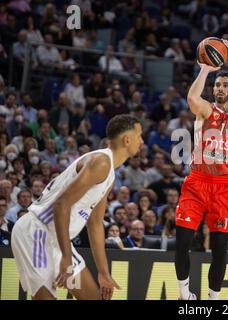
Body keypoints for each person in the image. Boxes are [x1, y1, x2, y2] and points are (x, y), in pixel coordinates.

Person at [11, 114, 143, 300]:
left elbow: (95, 224)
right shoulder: (101, 162)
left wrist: (103, 272)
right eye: (139, 135)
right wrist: (66, 257)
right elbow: (61, 204)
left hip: (58, 238)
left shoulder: (109, 174)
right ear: (127, 139)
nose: (142, 140)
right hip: (37, 233)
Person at [175, 40, 228, 300]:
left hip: (222, 187)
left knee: (219, 250)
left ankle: (212, 299)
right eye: (217, 85)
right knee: (183, 242)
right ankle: (185, 296)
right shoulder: (206, 111)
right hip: (196, 182)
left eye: (224, 85)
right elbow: (191, 98)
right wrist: (206, 69)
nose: (219, 88)